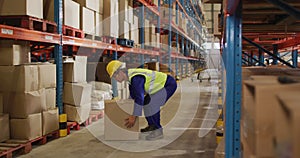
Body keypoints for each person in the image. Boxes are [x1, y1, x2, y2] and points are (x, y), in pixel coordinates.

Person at [106, 60, 177, 140]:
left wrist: (133, 116)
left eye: (115, 76)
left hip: (168, 85)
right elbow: (133, 96)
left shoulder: (136, 78)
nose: (115, 79)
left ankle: (158, 130)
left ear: (120, 72)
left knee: (152, 103)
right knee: (147, 102)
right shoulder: (130, 79)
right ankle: (152, 126)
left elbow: (139, 98)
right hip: (162, 86)